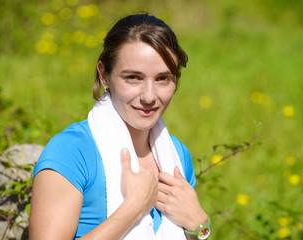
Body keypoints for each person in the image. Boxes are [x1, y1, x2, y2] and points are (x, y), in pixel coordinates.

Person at [29, 13, 212, 240]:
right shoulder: (71, 151)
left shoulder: (177, 154)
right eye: (133, 77)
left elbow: (196, 231)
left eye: (163, 78)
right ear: (104, 75)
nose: (149, 96)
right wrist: (133, 208)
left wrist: (200, 224)